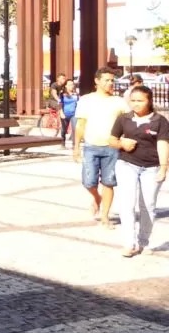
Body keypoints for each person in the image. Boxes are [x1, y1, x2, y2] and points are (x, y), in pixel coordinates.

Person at [109, 85, 168, 257]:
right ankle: (129, 243)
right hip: (127, 164)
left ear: (149, 101)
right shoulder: (123, 119)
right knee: (127, 204)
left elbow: (163, 143)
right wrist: (122, 144)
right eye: (133, 101)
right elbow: (112, 139)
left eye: (140, 101)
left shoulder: (160, 121)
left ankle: (144, 241)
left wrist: (164, 167)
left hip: (152, 167)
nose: (136, 104)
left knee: (148, 205)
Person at [73, 67, 130, 228]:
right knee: (88, 181)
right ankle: (97, 197)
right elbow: (80, 125)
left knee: (109, 182)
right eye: (107, 80)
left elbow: (128, 123)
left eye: (112, 80)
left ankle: (105, 216)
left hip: (112, 147)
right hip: (91, 145)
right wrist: (76, 147)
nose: (110, 83)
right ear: (97, 81)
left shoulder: (119, 101)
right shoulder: (86, 100)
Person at [59, 80, 79, 146]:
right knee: (64, 129)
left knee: (75, 129)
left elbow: (78, 103)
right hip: (65, 114)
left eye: (72, 84)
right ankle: (62, 142)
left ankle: (74, 145)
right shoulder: (62, 94)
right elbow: (60, 104)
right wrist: (61, 112)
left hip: (74, 114)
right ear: (66, 86)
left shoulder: (76, 94)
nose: (71, 86)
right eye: (70, 85)